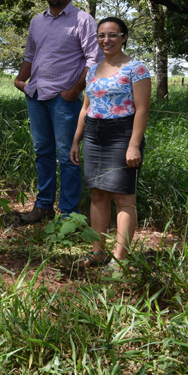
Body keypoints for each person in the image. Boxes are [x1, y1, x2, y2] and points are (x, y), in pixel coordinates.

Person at [15, 0, 102, 223]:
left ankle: (69, 213)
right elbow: (30, 55)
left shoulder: (83, 20)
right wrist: (20, 80)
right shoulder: (36, 22)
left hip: (64, 99)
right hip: (36, 96)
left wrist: (74, 91)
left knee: (67, 154)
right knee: (42, 151)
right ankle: (43, 206)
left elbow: (94, 60)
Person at [70, 17, 150, 269]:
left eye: (113, 35)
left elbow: (142, 110)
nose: (106, 40)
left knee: (123, 198)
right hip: (94, 134)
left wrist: (134, 145)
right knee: (97, 194)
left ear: (124, 37)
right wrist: (76, 141)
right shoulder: (93, 70)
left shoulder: (136, 68)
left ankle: (120, 258)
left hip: (122, 134)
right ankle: (97, 252)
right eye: (102, 35)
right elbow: (85, 108)